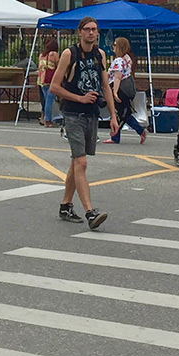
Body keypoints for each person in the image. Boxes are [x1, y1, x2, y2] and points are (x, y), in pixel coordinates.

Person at [50, 16, 115, 228]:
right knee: (81, 161)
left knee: (76, 161)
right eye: (87, 29)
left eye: (94, 29)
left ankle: (65, 205)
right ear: (80, 32)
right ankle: (90, 212)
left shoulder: (100, 55)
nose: (91, 33)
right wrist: (80, 98)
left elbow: (105, 86)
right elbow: (54, 87)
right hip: (73, 114)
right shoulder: (70, 54)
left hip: (92, 114)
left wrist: (113, 116)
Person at [108, 37, 146, 144]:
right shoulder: (127, 58)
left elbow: (117, 78)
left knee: (119, 113)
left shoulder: (118, 61)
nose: (113, 47)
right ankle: (139, 131)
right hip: (128, 89)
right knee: (125, 113)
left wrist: (115, 92)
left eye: (115, 45)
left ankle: (115, 136)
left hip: (121, 90)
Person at [36, 38, 59, 126]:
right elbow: (59, 67)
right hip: (51, 80)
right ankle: (48, 120)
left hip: (42, 80)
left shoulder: (41, 55)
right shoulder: (54, 54)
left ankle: (45, 118)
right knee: (50, 100)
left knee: (46, 100)